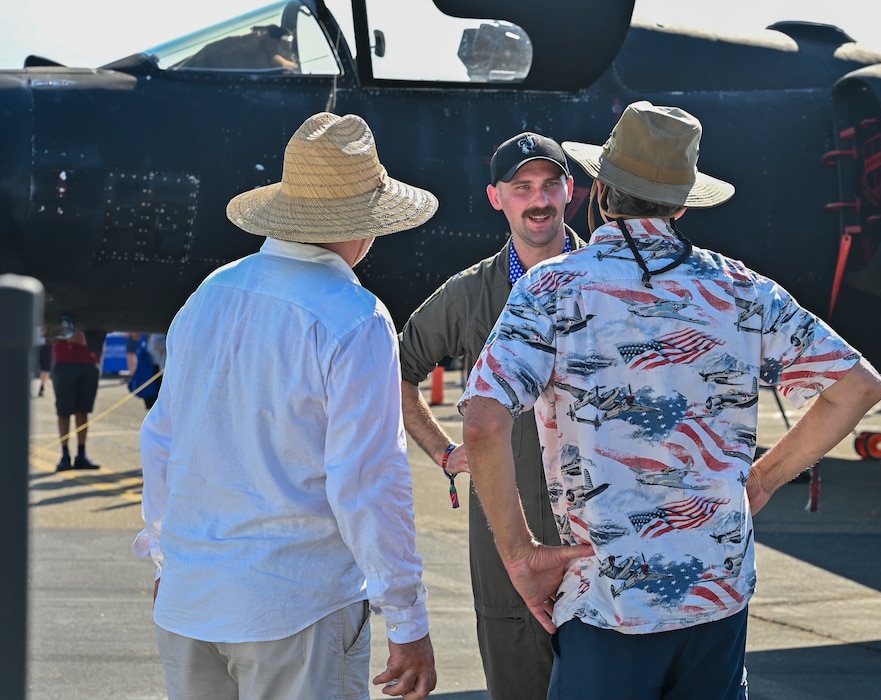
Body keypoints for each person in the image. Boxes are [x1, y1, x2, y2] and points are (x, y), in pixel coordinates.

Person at [459, 101, 881, 699]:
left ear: (601, 191)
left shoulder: (551, 286)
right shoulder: (741, 289)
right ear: (683, 203)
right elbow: (859, 386)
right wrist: (762, 479)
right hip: (717, 596)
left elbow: (482, 424)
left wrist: (520, 555)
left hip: (608, 600)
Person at [133, 112, 439, 700]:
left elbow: (162, 442)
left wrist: (169, 562)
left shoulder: (209, 294)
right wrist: (406, 617)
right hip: (296, 604)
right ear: (365, 224)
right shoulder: (355, 317)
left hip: (192, 600)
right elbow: (367, 480)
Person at [399, 131, 585, 699]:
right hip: (509, 535)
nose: (539, 200)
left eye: (551, 185)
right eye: (522, 187)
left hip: (600, 536)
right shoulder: (469, 295)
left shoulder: (613, 280)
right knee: (519, 681)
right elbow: (395, 371)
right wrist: (444, 452)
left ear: (570, 191)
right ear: (495, 197)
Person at [50, 329, 102, 471]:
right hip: (64, 361)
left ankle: (81, 453)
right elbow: (49, 331)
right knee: (64, 411)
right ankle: (65, 454)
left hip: (88, 362)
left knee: (83, 411)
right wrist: (69, 336)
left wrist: (98, 362)